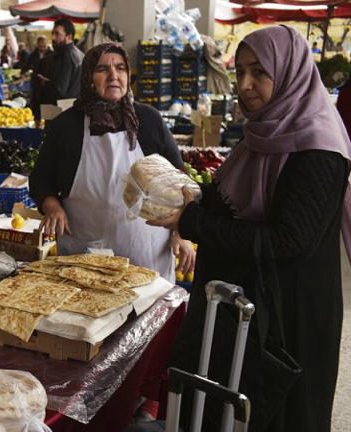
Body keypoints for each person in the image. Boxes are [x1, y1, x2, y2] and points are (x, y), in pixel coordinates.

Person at [149, 26, 351, 431]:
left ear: (289, 71)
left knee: (276, 416)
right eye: (239, 71)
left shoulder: (318, 149)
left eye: (259, 71)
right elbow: (232, 201)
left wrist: (192, 222)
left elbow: (288, 240)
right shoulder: (259, 135)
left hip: (288, 320)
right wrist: (190, 196)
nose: (244, 85)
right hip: (245, 308)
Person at [29, 43, 194, 282]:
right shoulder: (66, 125)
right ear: (88, 77)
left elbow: (181, 183)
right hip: (86, 253)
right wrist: (52, 206)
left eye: (120, 68)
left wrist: (183, 231)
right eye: (102, 69)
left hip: (146, 251)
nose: (114, 76)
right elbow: (41, 179)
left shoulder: (148, 120)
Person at [40, 18, 84, 102]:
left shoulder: (65, 56)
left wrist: (45, 82)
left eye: (57, 34)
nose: (53, 38)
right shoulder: (80, 54)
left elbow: (60, 90)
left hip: (63, 108)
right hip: (75, 106)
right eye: (52, 33)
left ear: (69, 37)